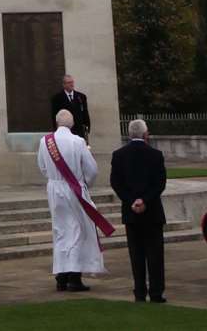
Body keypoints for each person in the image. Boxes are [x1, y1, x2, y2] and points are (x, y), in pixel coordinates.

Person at [38, 108, 106, 292]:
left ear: (56, 122)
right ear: (72, 123)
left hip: (54, 189)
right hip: (74, 189)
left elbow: (42, 167)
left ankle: (61, 276)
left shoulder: (45, 141)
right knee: (77, 231)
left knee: (60, 231)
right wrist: (85, 184)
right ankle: (74, 277)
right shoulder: (78, 141)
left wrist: (54, 179)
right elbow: (91, 169)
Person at [110, 118, 167, 302]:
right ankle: (156, 292)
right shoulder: (155, 154)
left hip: (131, 211)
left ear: (129, 134)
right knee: (155, 254)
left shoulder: (119, 155)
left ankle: (140, 291)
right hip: (151, 211)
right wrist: (145, 200)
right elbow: (160, 183)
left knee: (137, 254)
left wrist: (131, 201)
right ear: (145, 134)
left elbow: (116, 183)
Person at [51, 74, 91, 139]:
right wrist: (56, 130)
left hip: (79, 131)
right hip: (65, 132)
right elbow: (54, 116)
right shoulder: (56, 98)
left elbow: (85, 113)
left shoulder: (81, 97)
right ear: (64, 85)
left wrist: (87, 127)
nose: (71, 84)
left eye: (72, 82)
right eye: (69, 83)